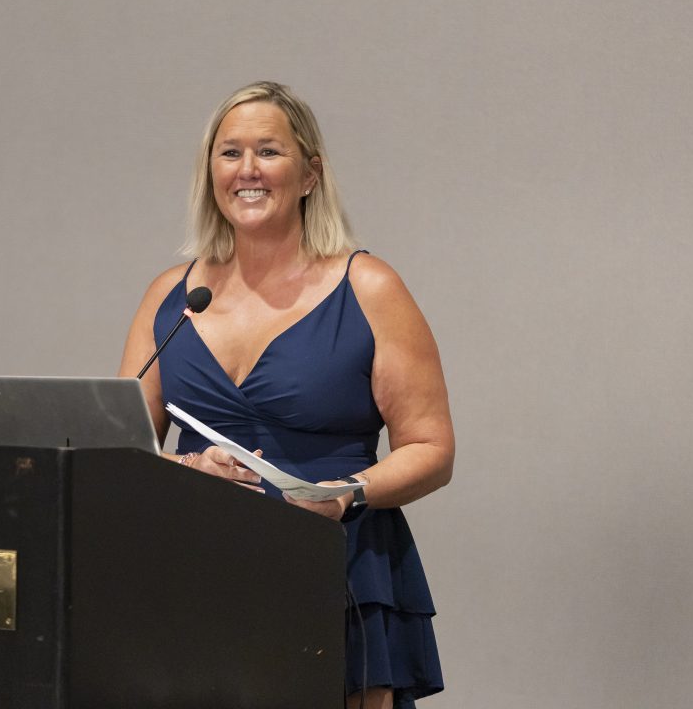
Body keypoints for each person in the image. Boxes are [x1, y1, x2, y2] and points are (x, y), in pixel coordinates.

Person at [118, 81, 454, 709]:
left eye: (268, 151)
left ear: (310, 174)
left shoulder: (369, 287)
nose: (247, 169)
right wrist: (189, 467)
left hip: (334, 566)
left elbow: (432, 449)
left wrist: (344, 493)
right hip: (195, 566)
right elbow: (119, 451)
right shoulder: (171, 297)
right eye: (230, 153)